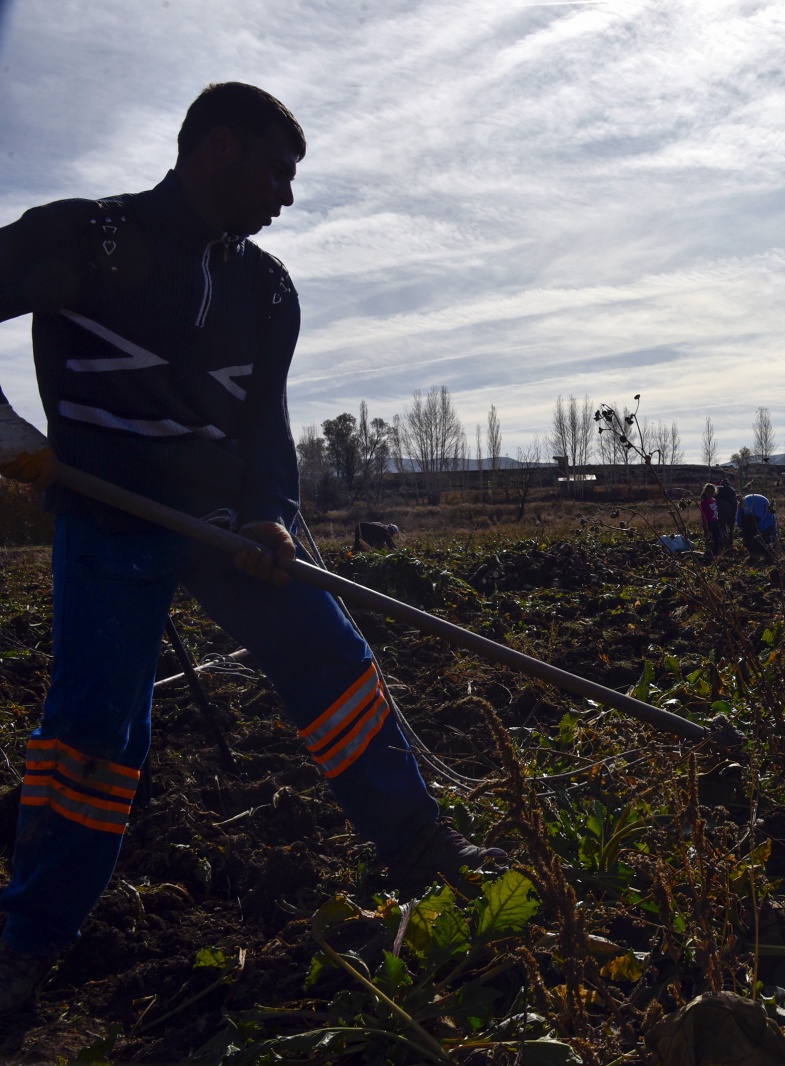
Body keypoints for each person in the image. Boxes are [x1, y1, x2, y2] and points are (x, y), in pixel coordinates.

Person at [0, 83, 503, 1010]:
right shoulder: (83, 238)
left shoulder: (266, 291)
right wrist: (6, 433)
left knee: (334, 665)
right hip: (108, 523)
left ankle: (429, 854)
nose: (287, 195)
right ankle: (26, 939)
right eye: (278, 170)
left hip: (230, 526)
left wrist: (270, 511)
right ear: (218, 148)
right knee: (92, 733)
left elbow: (266, 430)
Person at [738, 492, 778, 559]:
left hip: (751, 511)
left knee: (750, 534)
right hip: (753, 515)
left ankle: (756, 553)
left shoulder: (746, 512)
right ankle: (761, 553)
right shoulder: (766, 516)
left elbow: (740, 519)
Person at [698, 482, 721, 555]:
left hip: (715, 521)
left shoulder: (714, 500)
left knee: (716, 538)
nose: (711, 494)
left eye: (712, 492)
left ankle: (716, 553)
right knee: (709, 538)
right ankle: (709, 552)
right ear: (705, 492)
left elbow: (716, 511)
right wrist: (705, 524)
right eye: (709, 492)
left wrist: (718, 519)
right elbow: (703, 514)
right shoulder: (704, 502)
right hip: (709, 522)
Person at [715, 479, 737, 551]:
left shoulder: (716, 489)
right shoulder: (731, 490)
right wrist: (734, 515)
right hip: (728, 509)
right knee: (730, 528)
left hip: (717, 508)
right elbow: (734, 504)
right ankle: (729, 544)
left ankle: (720, 544)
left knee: (720, 527)